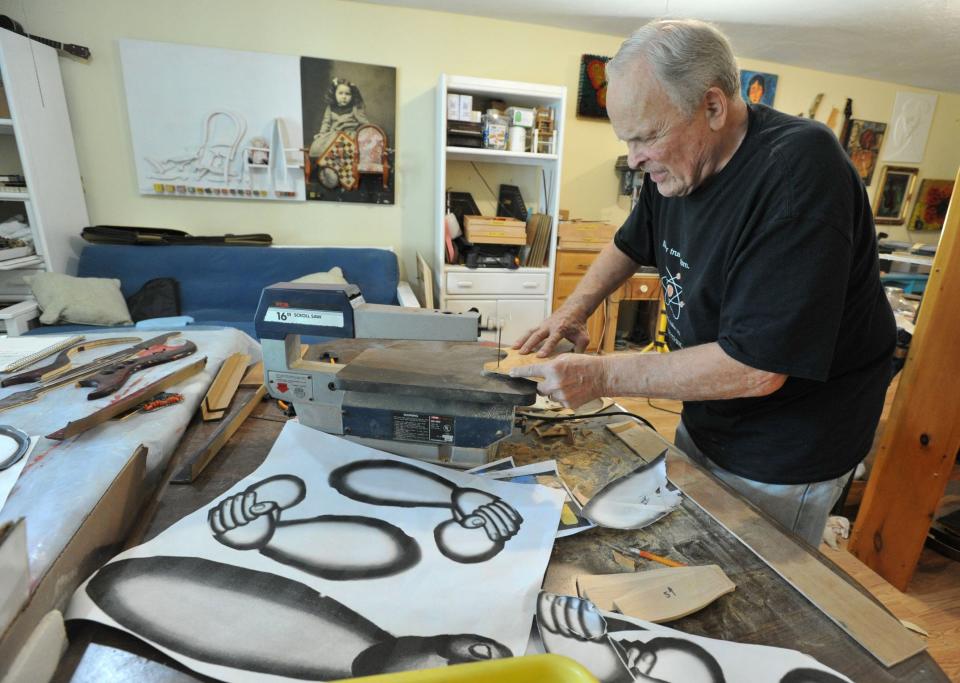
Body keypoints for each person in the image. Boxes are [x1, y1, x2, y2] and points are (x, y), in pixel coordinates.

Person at [511, 19, 896, 547]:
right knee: (690, 544)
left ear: (713, 107)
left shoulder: (798, 174)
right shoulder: (678, 165)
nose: (633, 157)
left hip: (790, 442)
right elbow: (630, 242)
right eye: (627, 139)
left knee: (756, 586)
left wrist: (600, 377)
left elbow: (757, 369)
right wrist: (572, 310)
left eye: (646, 136)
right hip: (711, 408)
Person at [308, 77, 370, 159]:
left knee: (342, 155)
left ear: (352, 96)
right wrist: (322, 133)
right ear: (334, 94)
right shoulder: (330, 107)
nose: (344, 97)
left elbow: (365, 123)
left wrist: (365, 135)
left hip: (348, 137)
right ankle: (329, 168)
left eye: (347, 94)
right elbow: (326, 122)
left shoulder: (354, 108)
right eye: (340, 93)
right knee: (320, 146)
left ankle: (341, 168)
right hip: (333, 135)